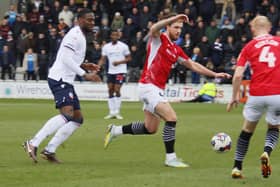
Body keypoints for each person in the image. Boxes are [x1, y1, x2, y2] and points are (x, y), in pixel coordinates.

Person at [104, 13, 231, 168]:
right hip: (148, 86)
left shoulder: (176, 49)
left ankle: (115, 130)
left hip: (156, 89)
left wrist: (214, 74)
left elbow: (193, 65)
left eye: (180, 28)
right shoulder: (159, 38)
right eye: (175, 27)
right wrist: (174, 17)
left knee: (150, 128)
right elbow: (154, 28)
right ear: (168, 26)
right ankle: (170, 158)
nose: (178, 31)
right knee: (171, 118)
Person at [23, 8, 100, 164]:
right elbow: (65, 58)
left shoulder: (81, 36)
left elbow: (70, 58)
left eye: (93, 20)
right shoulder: (75, 35)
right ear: (79, 20)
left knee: (77, 119)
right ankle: (33, 142)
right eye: (88, 20)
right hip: (60, 79)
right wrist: (84, 74)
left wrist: (85, 65)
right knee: (67, 114)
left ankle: (50, 150)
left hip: (66, 80)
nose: (92, 23)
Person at [227, 15, 280, 179]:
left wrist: (235, 96)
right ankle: (266, 152)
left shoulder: (249, 46)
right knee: (274, 128)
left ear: (253, 28)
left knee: (247, 130)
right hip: (277, 94)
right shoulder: (279, 42)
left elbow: (237, 76)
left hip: (256, 94)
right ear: (269, 27)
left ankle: (237, 167)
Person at [98, 30, 131, 120]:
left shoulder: (123, 46)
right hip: (110, 72)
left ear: (118, 36)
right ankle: (111, 112)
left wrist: (119, 62)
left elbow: (129, 58)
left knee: (117, 89)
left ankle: (117, 111)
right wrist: (98, 66)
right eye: (113, 35)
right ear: (111, 36)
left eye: (116, 35)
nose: (114, 37)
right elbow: (103, 58)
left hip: (120, 71)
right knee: (110, 90)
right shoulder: (106, 47)